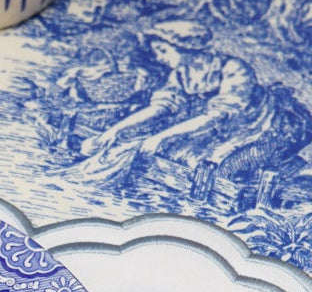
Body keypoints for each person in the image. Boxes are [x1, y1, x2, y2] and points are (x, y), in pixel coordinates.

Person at [79, 20, 312, 186]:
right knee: (179, 159)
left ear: (188, 50)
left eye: (162, 50)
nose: (158, 56)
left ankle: (290, 167)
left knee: (223, 174)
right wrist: (111, 132)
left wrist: (159, 137)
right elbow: (160, 106)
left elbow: (216, 115)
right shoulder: (180, 73)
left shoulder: (233, 69)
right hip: (223, 130)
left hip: (268, 129)